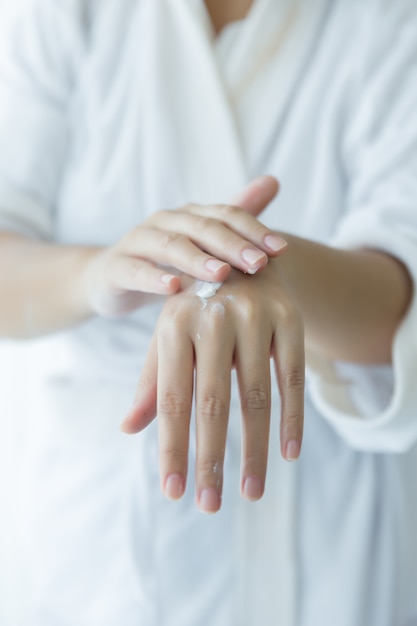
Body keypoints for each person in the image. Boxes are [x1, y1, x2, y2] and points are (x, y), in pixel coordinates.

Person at [0, 0, 417, 624]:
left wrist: (271, 271)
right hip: (100, 554)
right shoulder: (61, 15)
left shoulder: (390, 22)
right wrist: (101, 272)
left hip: (331, 544)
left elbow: (401, 292)